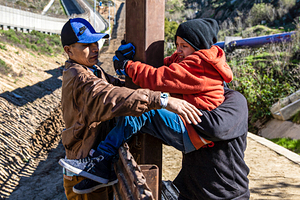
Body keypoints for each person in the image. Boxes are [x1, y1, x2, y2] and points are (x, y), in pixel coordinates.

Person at [59, 18, 250, 199]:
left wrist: (129, 66)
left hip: (193, 130)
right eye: (86, 45)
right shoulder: (82, 75)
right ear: (68, 50)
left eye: (95, 43)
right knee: (140, 106)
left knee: (143, 110)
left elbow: (158, 77)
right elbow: (161, 68)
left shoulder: (198, 65)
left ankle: (101, 160)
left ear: (197, 46)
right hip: (192, 133)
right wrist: (135, 65)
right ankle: (100, 162)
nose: (94, 49)